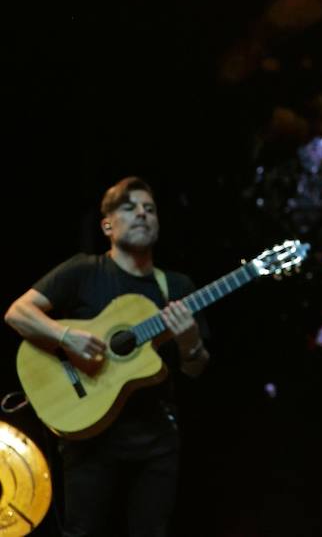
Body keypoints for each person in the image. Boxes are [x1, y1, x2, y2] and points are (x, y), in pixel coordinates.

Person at [5, 177, 209, 537]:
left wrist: (190, 341)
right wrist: (66, 337)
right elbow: (17, 313)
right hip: (87, 440)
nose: (143, 214)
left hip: (156, 443)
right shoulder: (84, 271)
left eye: (150, 209)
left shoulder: (177, 288)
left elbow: (195, 369)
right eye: (130, 208)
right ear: (108, 225)